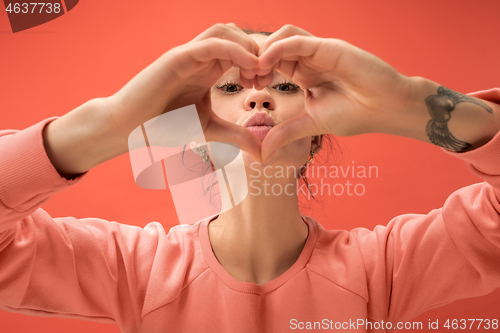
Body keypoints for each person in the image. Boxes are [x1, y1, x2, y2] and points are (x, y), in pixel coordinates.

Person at [0, 22, 499, 333]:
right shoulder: (133, 269)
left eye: (285, 86)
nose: (257, 100)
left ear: (320, 133)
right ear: (191, 127)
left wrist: (412, 105)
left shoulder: (381, 269)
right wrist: (108, 126)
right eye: (231, 88)